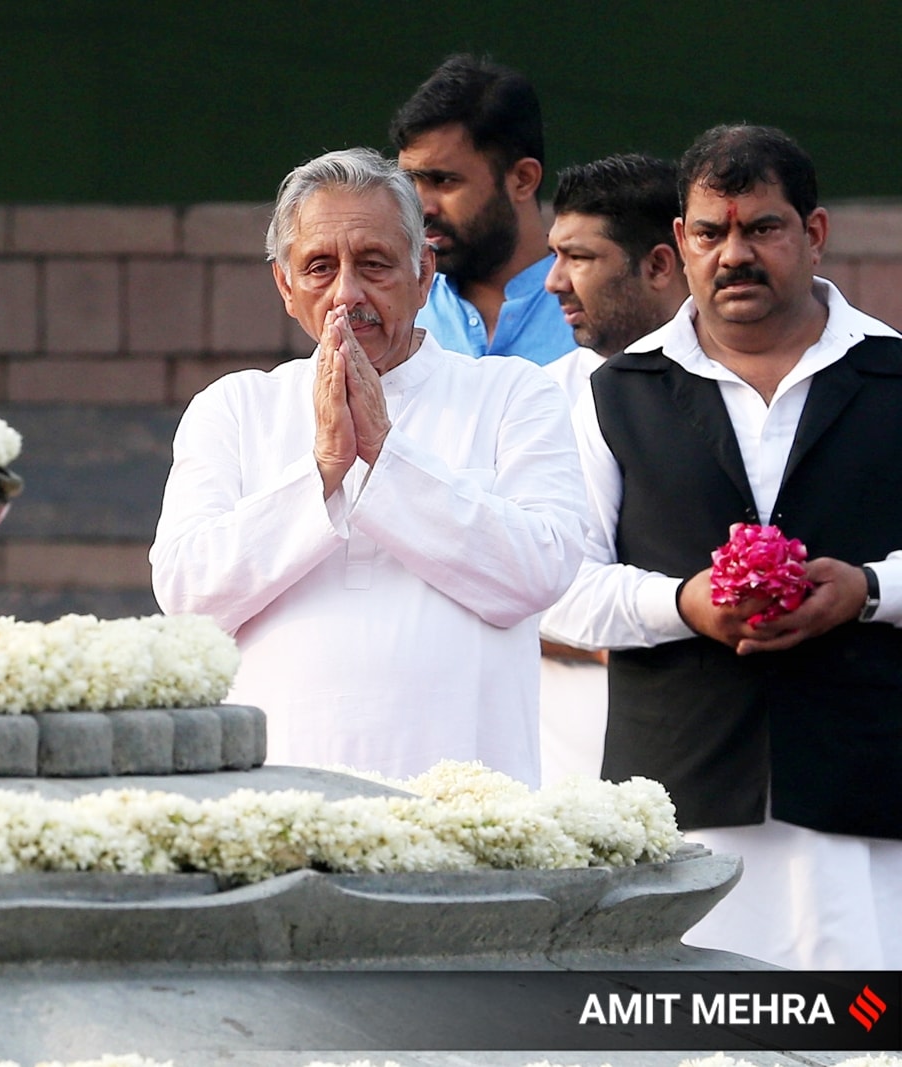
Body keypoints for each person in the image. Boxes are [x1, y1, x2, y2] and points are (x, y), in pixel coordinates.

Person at [541, 124, 902, 969]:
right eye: (712, 232)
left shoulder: (893, 376)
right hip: (676, 808)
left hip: (866, 802)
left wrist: (867, 589)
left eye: (762, 228)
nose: (734, 254)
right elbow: (559, 584)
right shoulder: (615, 393)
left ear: (812, 234)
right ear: (680, 243)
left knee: (860, 1037)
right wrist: (681, 603)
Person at [150, 147, 585, 785]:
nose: (346, 294)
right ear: (284, 285)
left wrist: (385, 452)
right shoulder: (236, 408)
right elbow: (188, 596)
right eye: (320, 267)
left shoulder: (513, 395)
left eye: (375, 265)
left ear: (424, 272)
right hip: (279, 800)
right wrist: (324, 467)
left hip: (472, 803)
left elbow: (538, 571)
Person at [536, 154, 687, 785]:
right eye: (554, 254)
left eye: (580, 257)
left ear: (659, 264)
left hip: (709, 744)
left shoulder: (749, 393)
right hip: (560, 767)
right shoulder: (540, 398)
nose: (553, 281)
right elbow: (516, 581)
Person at [390, 54, 576, 366]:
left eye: (444, 180)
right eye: (409, 182)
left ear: (523, 179)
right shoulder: (396, 314)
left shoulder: (595, 315)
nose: (421, 207)